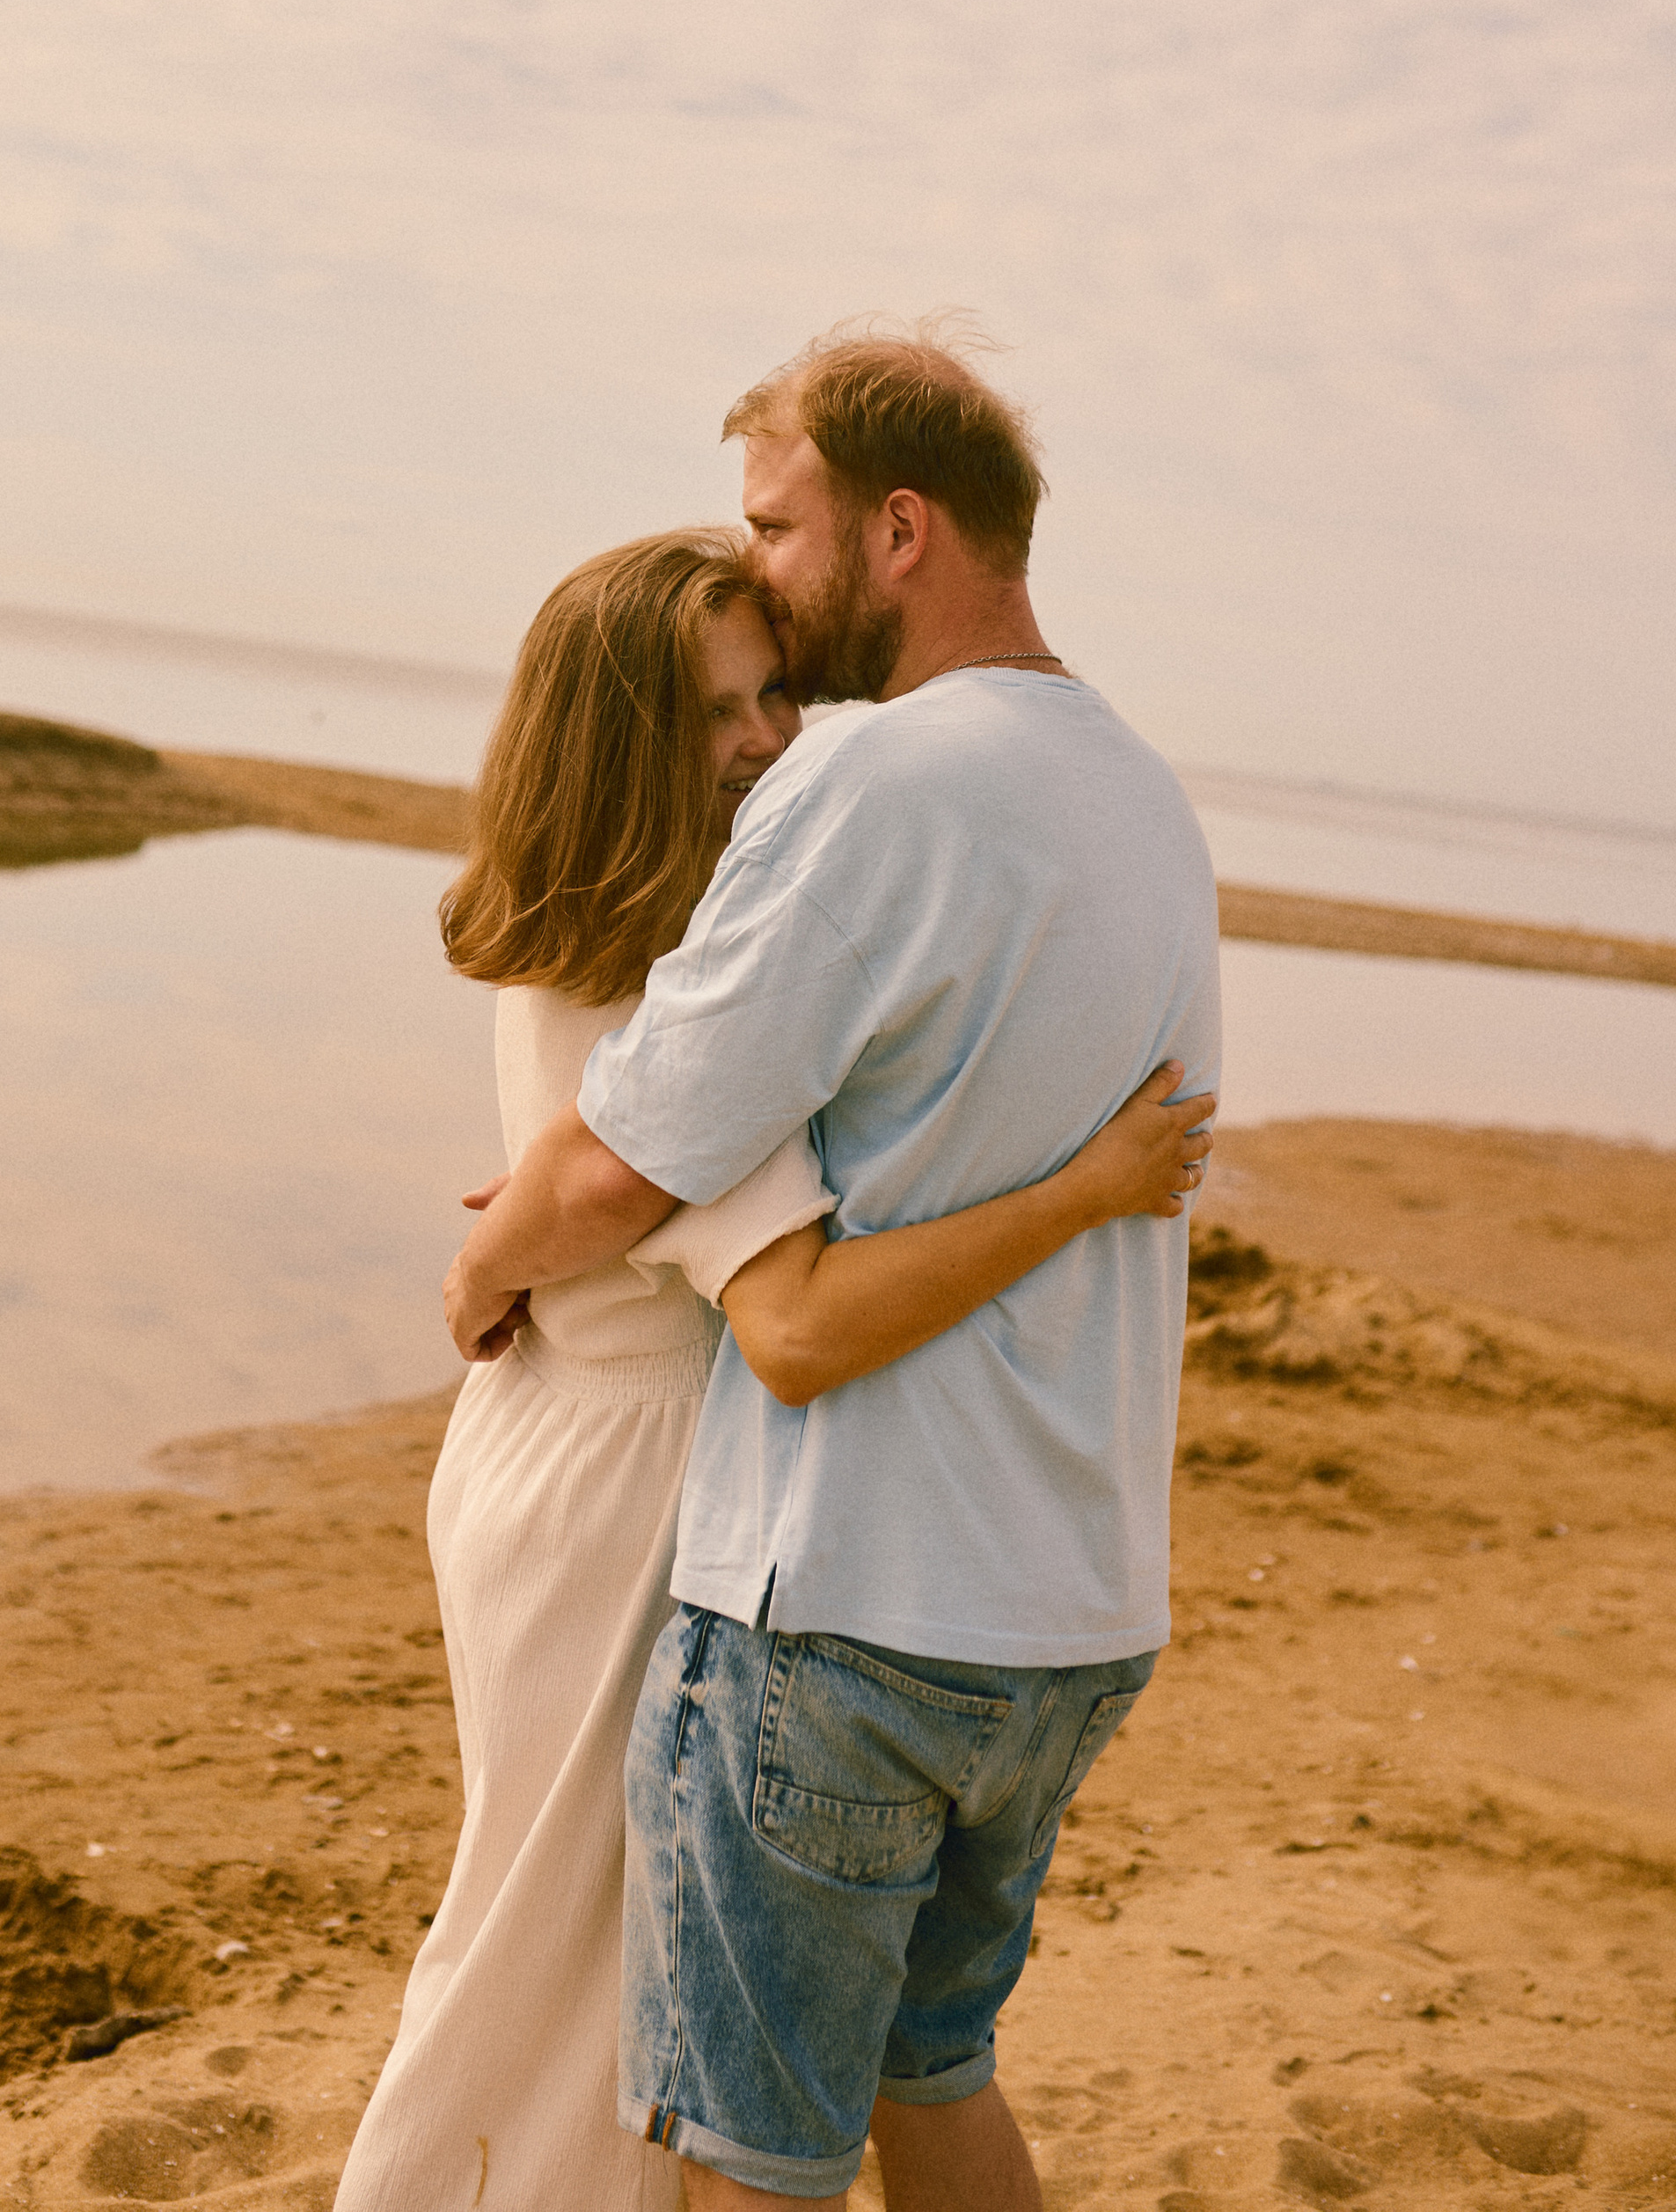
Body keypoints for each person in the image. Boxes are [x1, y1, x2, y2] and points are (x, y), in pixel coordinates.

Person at [336, 524, 1213, 2212]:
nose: (765, 741)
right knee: (554, 1935)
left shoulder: (663, 951)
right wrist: (1086, 1190)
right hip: (622, 1484)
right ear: (618, 742)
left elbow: (592, 1193)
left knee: (594, 1936)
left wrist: (507, 1241)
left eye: (774, 697)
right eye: (716, 713)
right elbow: (795, 1322)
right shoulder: (654, 991)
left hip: (594, 1446)